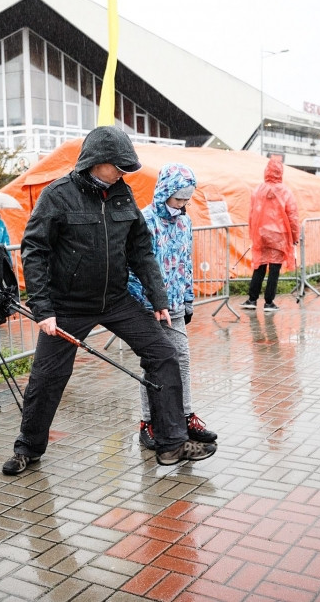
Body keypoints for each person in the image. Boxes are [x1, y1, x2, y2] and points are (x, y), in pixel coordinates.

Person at [4, 126, 218, 475]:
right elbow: (35, 251)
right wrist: (42, 309)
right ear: (96, 161)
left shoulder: (123, 195)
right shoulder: (56, 195)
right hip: (68, 305)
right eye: (117, 166)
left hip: (116, 300)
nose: (122, 172)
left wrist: (158, 297)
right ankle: (28, 448)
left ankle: (171, 444)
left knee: (163, 354)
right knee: (47, 377)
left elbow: (141, 250)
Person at [125, 163, 217, 450]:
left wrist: (188, 299)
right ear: (164, 192)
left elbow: (186, 262)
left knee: (182, 361)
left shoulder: (184, 222)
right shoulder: (144, 220)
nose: (181, 205)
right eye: (178, 199)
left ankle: (185, 416)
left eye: (186, 200)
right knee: (154, 364)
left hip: (176, 305)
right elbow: (133, 266)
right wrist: (149, 301)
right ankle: (148, 422)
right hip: (149, 306)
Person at [241, 157, 300, 312]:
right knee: (274, 269)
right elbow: (292, 216)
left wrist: (252, 233)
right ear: (281, 172)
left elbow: (252, 213)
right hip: (279, 235)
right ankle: (269, 302)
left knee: (259, 265)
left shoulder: (257, 190)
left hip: (260, 233)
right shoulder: (286, 191)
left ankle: (252, 299)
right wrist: (295, 237)